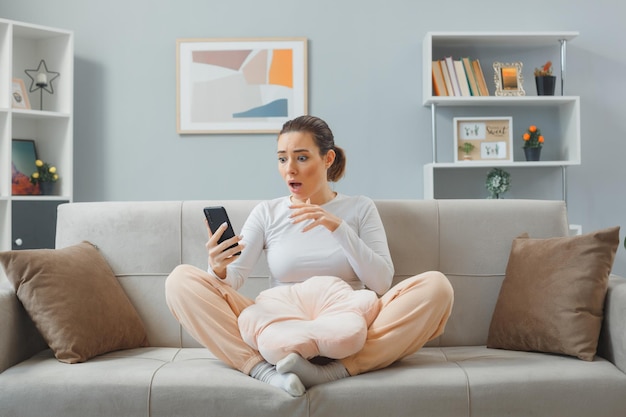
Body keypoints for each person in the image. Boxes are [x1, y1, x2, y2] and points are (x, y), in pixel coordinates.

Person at [165, 115, 454, 397]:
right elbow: (235, 278)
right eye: (282, 159)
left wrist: (337, 227)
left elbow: (380, 283)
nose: (289, 169)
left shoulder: (360, 208)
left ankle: (333, 371)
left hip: (350, 327)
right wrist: (218, 268)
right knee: (180, 281)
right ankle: (266, 372)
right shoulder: (268, 212)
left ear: (327, 159)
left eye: (301, 158)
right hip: (276, 329)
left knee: (436, 287)